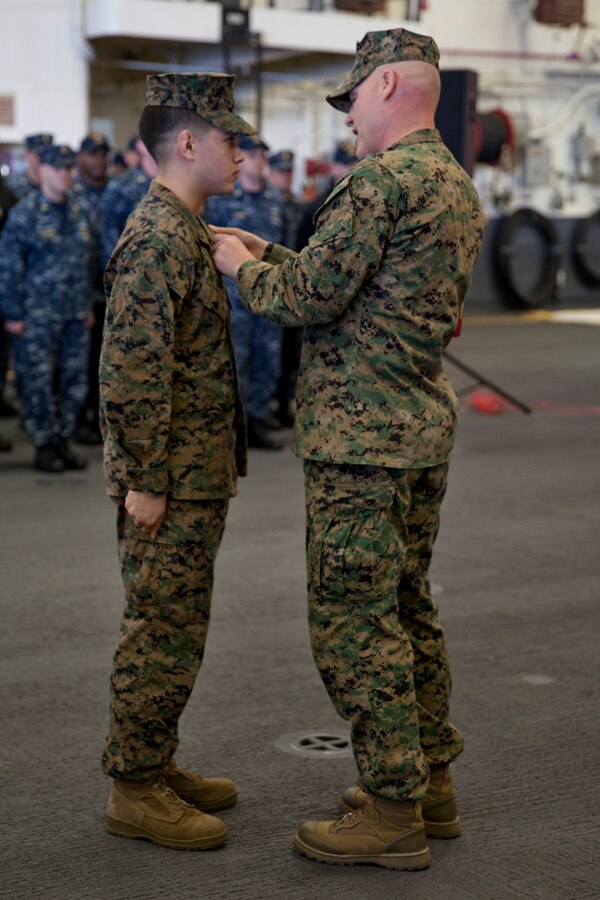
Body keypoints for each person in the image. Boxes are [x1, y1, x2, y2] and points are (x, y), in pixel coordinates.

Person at [211, 26, 485, 870]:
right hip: (416, 430)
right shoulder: (452, 185)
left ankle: (393, 811)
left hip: (360, 441)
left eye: (356, 97)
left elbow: (310, 296)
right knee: (406, 609)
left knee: (352, 623)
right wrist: (278, 252)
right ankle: (427, 780)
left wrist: (240, 266)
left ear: (394, 85)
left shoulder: (379, 183)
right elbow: (368, 289)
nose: (349, 117)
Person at [99, 72, 253, 851]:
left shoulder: (188, 231)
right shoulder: (157, 238)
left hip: (193, 476)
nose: (241, 151)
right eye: (230, 138)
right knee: (159, 627)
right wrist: (145, 483)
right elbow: (130, 374)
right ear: (188, 143)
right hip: (169, 483)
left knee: (179, 627)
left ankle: (153, 762)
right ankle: (133, 786)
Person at [0, 144, 97, 473]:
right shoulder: (25, 214)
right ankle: (44, 444)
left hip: (73, 313)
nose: (65, 174)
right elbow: (10, 267)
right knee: (37, 381)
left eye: (69, 168)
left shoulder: (80, 212)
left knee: (74, 380)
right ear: (42, 171)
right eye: (57, 168)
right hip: (36, 316)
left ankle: (63, 440)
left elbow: (87, 265)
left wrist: (86, 306)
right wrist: (12, 314)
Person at [205, 134, 288, 450]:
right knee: (233, 363)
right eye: (252, 154)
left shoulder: (276, 200)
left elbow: (284, 243)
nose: (258, 161)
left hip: (270, 297)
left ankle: (256, 420)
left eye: (262, 155)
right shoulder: (222, 199)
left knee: (267, 360)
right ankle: (231, 426)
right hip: (234, 299)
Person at [72, 132, 112, 445]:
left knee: (105, 359)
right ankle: (78, 417)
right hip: (81, 296)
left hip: (111, 295)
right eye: (92, 154)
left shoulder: (117, 192)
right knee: (81, 359)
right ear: (80, 158)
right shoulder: (71, 196)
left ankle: (100, 415)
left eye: (103, 153)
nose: (98, 160)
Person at [266, 149, 305, 426]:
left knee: (292, 352)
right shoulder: (266, 203)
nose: (285, 177)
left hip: (298, 288)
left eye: (289, 172)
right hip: (273, 285)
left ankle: (284, 404)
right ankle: (262, 409)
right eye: (281, 171)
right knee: (270, 352)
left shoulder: (301, 207)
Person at [100, 135, 157, 267]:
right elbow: (110, 244)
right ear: (140, 146)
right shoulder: (119, 186)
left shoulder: (180, 185)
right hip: (130, 277)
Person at [6, 132, 54, 200]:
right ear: (27, 155)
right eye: (39, 154)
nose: (44, 158)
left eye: (48, 154)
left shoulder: (58, 184)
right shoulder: (12, 186)